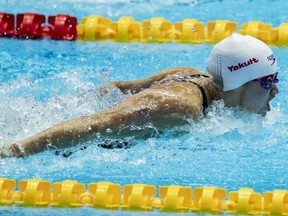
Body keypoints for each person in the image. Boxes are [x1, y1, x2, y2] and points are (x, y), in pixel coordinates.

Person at [0, 33, 279, 158]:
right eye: (267, 81)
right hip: (68, 146)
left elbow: (118, 88)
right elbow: (94, 124)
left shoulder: (190, 74)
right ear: (236, 82)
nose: (275, 91)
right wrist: (13, 151)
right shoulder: (180, 108)